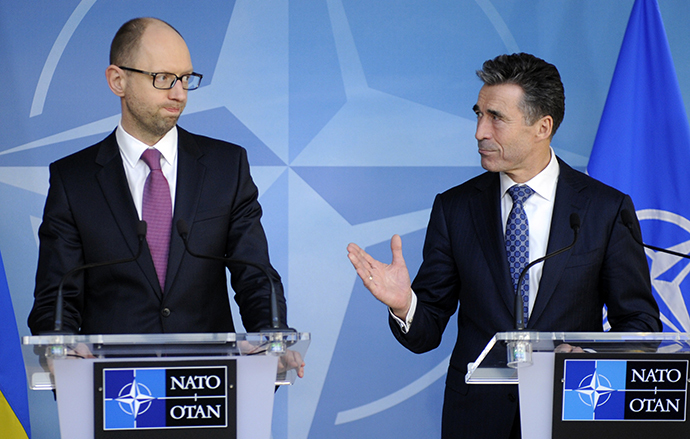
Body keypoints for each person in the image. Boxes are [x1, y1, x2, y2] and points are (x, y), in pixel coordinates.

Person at [347, 53, 660, 438]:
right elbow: (426, 332)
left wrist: (588, 360)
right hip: (478, 420)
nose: (479, 131)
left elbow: (640, 323)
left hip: (576, 409)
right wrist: (404, 305)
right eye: (478, 114)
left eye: (496, 117)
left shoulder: (604, 209)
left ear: (542, 126)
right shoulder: (455, 208)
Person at [28, 17, 297, 357]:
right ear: (117, 80)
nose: (179, 93)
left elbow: (255, 275)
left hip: (205, 385)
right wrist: (59, 347)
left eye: (186, 78)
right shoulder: (73, 178)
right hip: (114, 386)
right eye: (164, 78)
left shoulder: (226, 167)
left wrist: (272, 337)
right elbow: (57, 294)